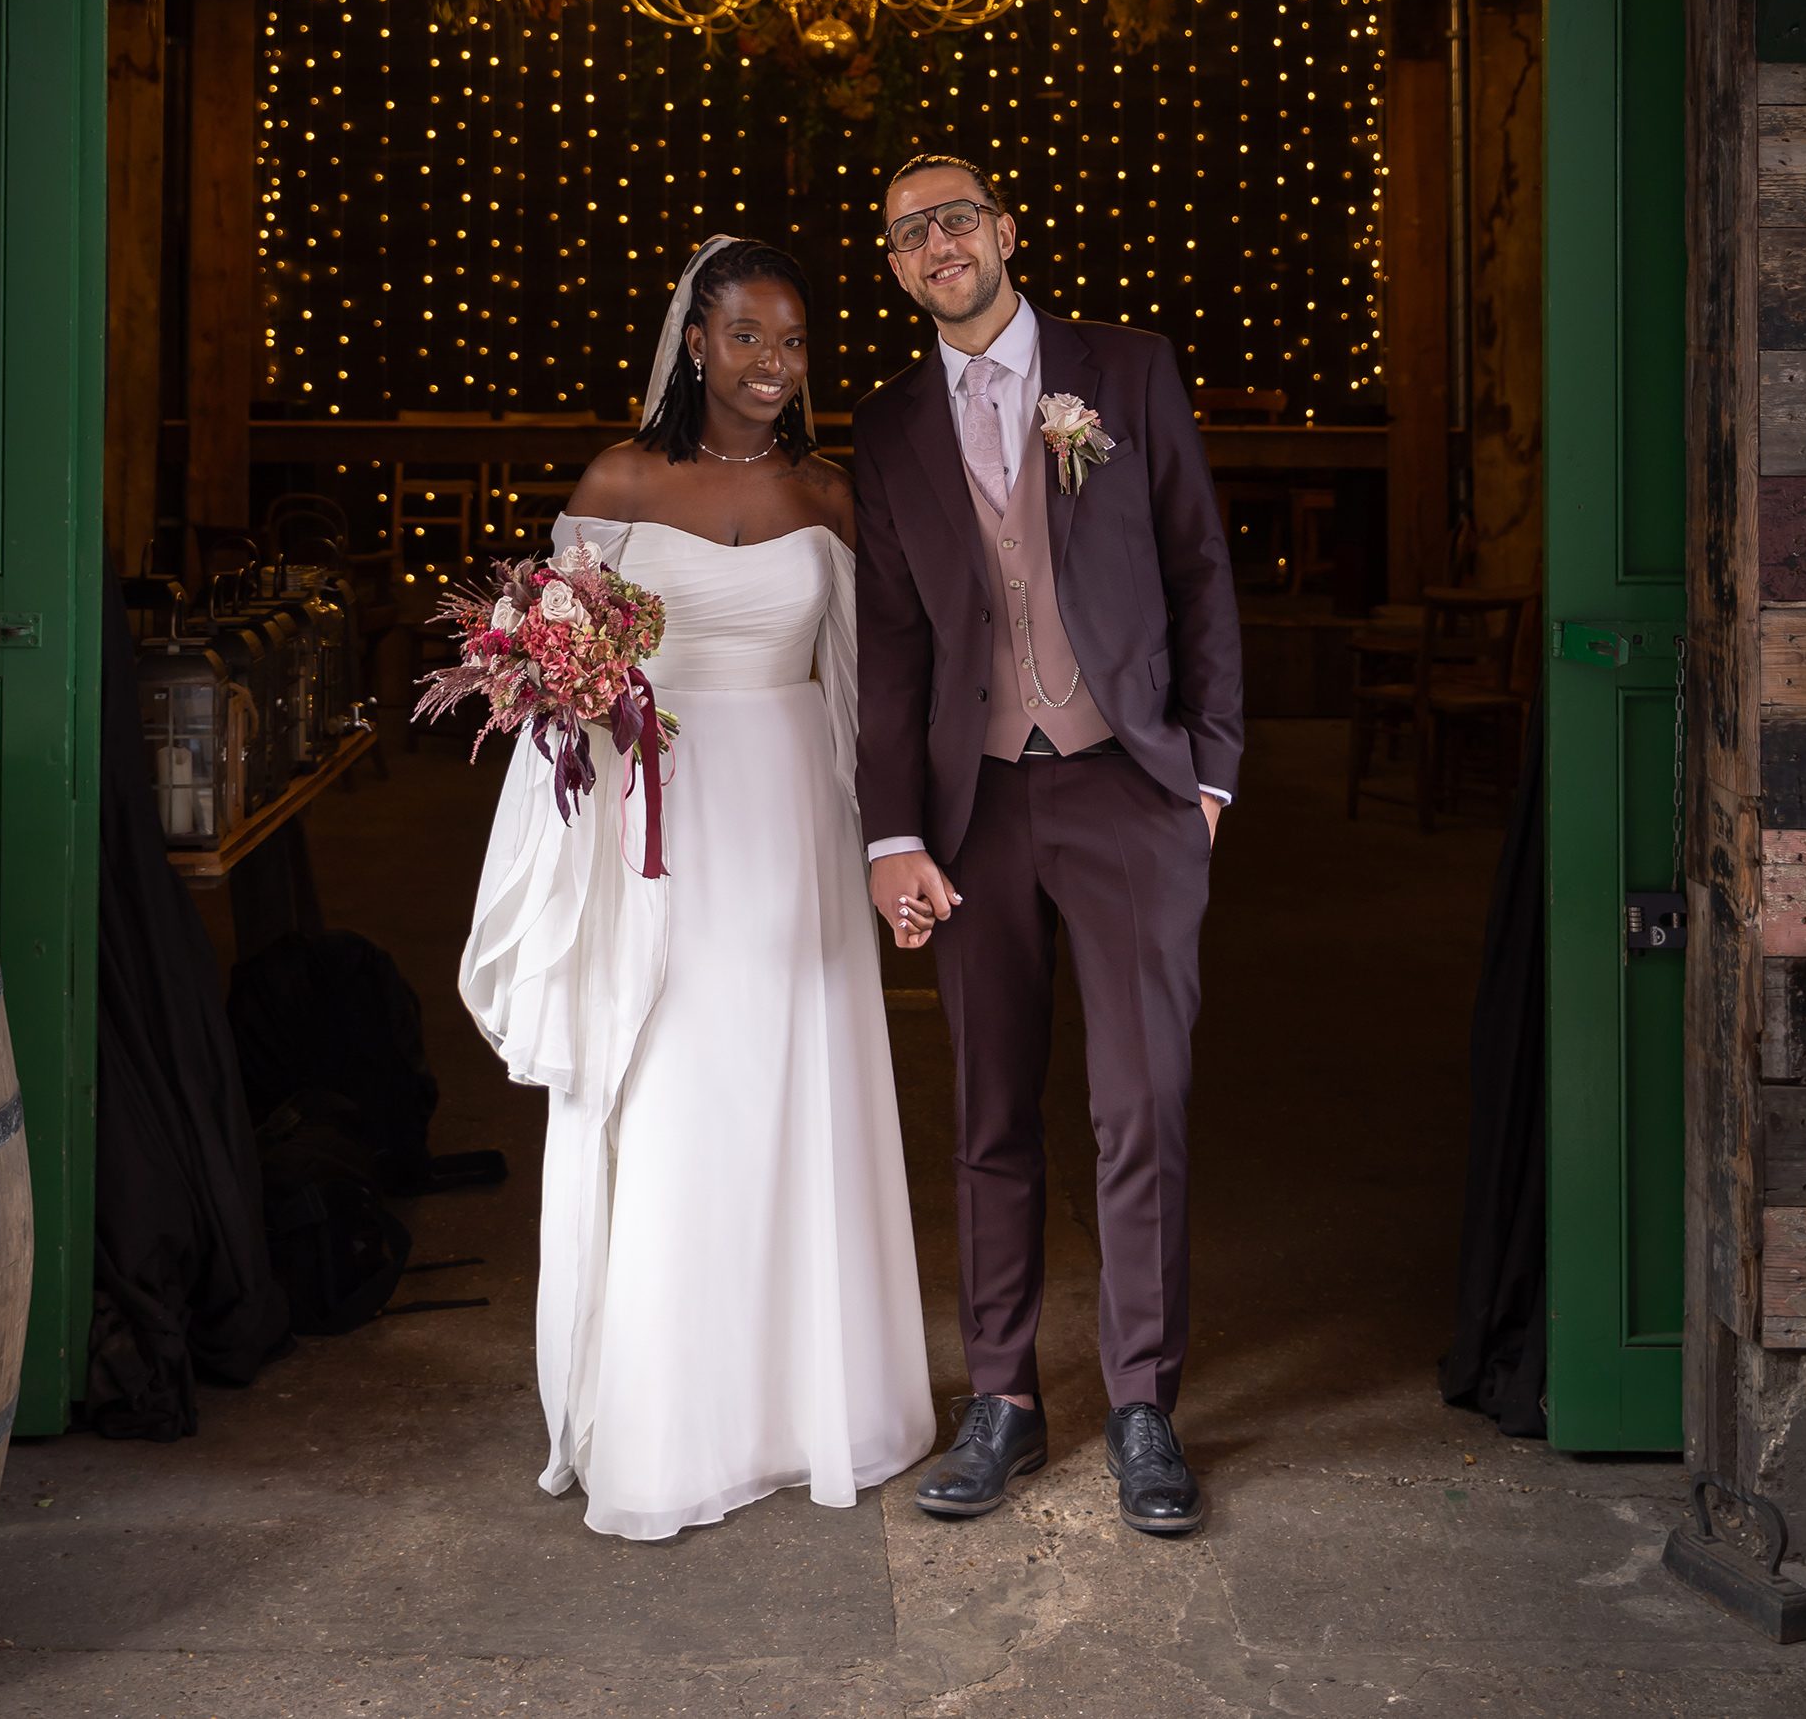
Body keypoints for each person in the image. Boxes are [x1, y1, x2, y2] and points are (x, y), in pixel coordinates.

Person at [458, 235, 934, 1541]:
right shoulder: (619, 476)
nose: (772, 367)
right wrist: (560, 685)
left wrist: (892, 835)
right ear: (694, 342)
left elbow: (868, 685)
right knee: (675, 1095)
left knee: (796, 1086)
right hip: (654, 821)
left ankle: (810, 1400)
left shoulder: (828, 495)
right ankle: (676, 1417)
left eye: (791, 344)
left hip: (790, 816)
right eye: (748, 339)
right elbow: (566, 653)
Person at [851, 155, 1242, 1537]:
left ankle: (1141, 1406)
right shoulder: (889, 427)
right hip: (976, 811)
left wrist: (1209, 778)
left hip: (1129, 788)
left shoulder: (1125, 371)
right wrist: (893, 831)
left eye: (956, 218)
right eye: (909, 233)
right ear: (895, 269)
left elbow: (1198, 564)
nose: (938, 243)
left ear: (1004, 233)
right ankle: (1003, 1400)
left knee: (1139, 1110)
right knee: (987, 1116)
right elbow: (893, 650)